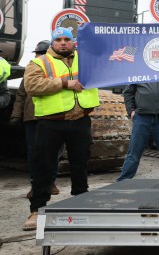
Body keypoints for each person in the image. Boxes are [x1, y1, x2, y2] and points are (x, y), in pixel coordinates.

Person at [22, 27, 100, 230]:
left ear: (74, 42)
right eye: (59, 40)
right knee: (44, 166)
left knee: (80, 164)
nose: (63, 43)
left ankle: (80, 204)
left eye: (67, 39)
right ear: (52, 43)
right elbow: (32, 86)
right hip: (51, 122)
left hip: (80, 119)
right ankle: (36, 210)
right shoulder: (39, 62)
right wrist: (65, 83)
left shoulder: (86, 59)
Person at [9, 41, 61, 198]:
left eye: (39, 53)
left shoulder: (56, 69)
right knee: (35, 153)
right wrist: (16, 115)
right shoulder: (31, 70)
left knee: (52, 152)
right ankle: (36, 185)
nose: (37, 56)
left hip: (52, 116)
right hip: (32, 118)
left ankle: (50, 182)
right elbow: (21, 94)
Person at [117, 81, 159, 181]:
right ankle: (123, 181)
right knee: (134, 153)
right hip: (142, 117)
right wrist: (131, 111)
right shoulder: (140, 71)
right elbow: (128, 92)